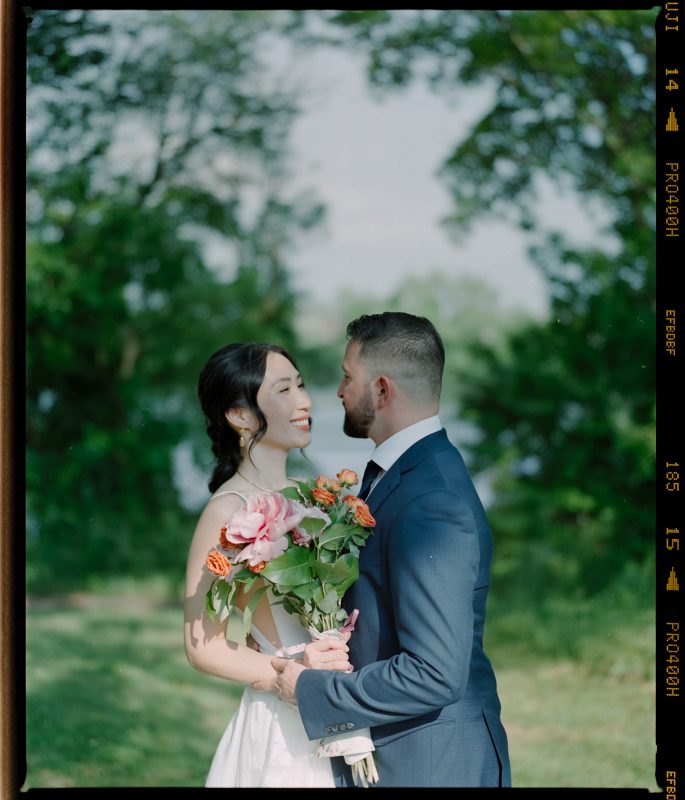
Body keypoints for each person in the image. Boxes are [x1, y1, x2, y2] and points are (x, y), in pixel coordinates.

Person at [259, 312, 512, 787]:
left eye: (347, 377)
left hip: (429, 764)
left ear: (381, 390)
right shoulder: (402, 475)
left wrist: (314, 689)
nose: (337, 391)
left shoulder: (432, 499)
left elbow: (435, 672)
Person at [183, 342, 351, 788]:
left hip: (340, 700)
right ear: (239, 415)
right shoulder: (226, 511)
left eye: (300, 384)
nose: (305, 400)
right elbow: (203, 646)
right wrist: (289, 673)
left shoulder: (313, 495)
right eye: (283, 390)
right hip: (284, 723)